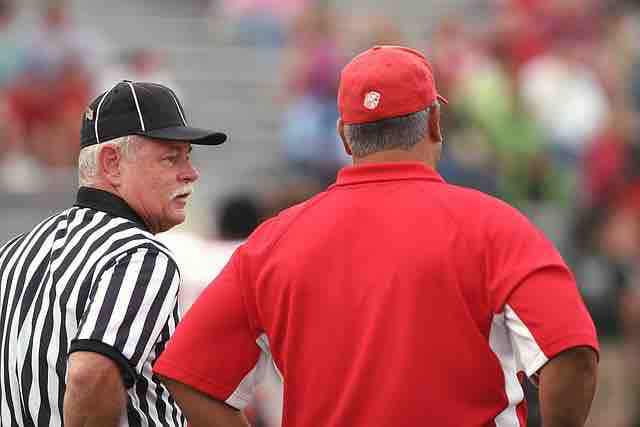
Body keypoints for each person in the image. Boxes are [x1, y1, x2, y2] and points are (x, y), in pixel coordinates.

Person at [153, 46, 599, 427]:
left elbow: (187, 375)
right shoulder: (496, 227)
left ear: (345, 136)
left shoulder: (273, 241)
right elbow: (572, 353)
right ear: (434, 124)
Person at [0, 80, 227, 426]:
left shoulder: (12, 254)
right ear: (112, 163)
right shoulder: (137, 256)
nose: (190, 173)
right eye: (171, 157)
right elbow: (90, 375)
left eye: (188, 156)